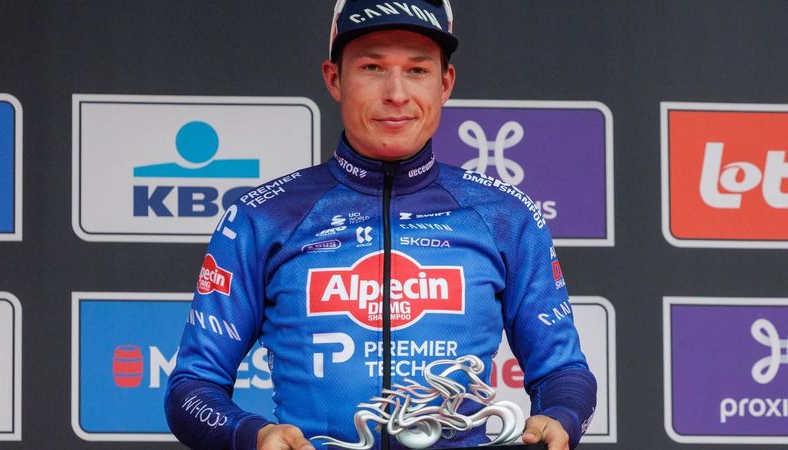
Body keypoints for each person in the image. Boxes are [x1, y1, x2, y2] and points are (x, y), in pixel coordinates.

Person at [165, 1, 596, 449]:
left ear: (444, 83)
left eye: (417, 70)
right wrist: (251, 436)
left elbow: (564, 372)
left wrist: (560, 417)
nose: (396, 93)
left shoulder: (506, 216)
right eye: (372, 67)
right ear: (334, 79)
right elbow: (192, 388)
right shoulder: (262, 218)